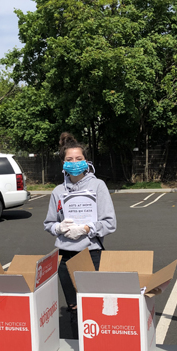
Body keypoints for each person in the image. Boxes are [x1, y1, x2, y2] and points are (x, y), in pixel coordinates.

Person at [44, 132, 117, 338]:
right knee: (74, 307)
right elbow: (48, 223)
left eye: (79, 159)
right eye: (69, 160)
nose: (74, 163)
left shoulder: (98, 186)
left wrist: (86, 229)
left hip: (91, 253)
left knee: (93, 305)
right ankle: (79, 348)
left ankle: (98, 349)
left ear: (86, 161)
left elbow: (109, 223)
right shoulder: (58, 191)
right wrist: (58, 228)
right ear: (62, 162)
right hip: (65, 257)